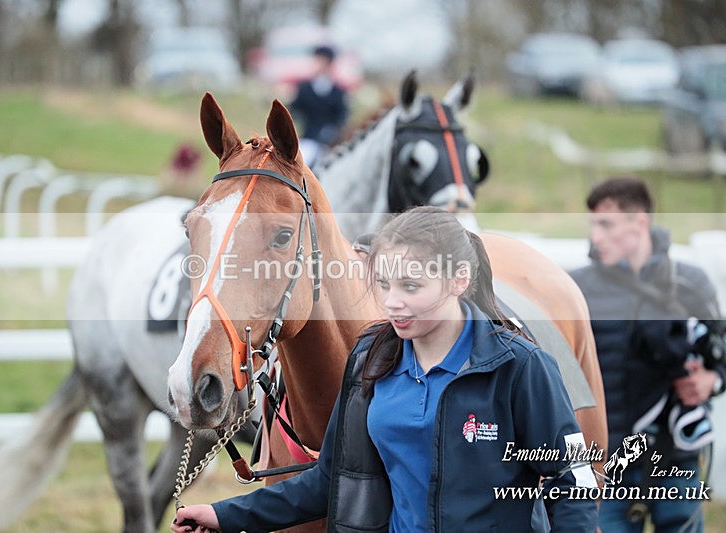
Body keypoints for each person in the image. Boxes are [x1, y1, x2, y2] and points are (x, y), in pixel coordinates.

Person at [171, 206, 598, 532]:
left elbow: (574, 481)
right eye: (385, 285)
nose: (393, 302)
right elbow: (327, 481)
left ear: (458, 280)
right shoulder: (370, 362)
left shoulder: (521, 368)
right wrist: (222, 515)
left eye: (411, 287)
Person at [570, 176, 725, 533]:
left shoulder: (691, 283)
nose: (595, 237)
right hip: (605, 462)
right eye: (593, 225)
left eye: (606, 225)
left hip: (676, 458)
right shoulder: (576, 289)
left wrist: (711, 380)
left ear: (639, 222)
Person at [289, 44, 349, 168]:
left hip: (331, 143)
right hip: (309, 138)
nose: (319, 64)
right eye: (318, 60)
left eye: (323, 61)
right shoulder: (304, 88)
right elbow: (294, 109)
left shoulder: (338, 91)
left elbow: (342, 115)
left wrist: (333, 129)